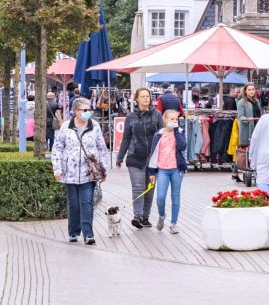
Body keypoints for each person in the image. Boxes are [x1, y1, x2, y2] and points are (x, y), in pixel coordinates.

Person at [52, 96, 109, 245]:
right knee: (73, 204)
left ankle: (88, 234)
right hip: (69, 172)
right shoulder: (66, 126)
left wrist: (104, 168)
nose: (87, 112)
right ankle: (73, 232)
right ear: (75, 111)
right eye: (84, 110)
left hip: (88, 172)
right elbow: (57, 148)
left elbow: (102, 148)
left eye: (89, 109)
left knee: (86, 202)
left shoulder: (94, 125)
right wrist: (57, 169)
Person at [115, 87, 162, 229]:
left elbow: (162, 136)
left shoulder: (157, 115)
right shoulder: (130, 117)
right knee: (138, 187)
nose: (146, 98)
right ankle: (137, 216)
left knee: (149, 188)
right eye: (143, 96)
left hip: (153, 159)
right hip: (135, 157)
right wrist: (120, 157)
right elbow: (126, 138)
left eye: (148, 96)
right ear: (136, 99)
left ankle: (145, 217)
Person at [147, 107, 187, 233]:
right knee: (160, 197)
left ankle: (173, 223)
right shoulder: (158, 134)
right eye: (171, 119)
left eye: (176, 119)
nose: (174, 121)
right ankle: (161, 215)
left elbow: (183, 146)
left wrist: (175, 131)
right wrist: (152, 172)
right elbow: (153, 153)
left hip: (176, 169)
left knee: (175, 196)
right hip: (162, 170)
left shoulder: (180, 132)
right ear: (164, 120)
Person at [236, 83, 262, 147]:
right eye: (249, 90)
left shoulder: (257, 101)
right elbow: (240, 116)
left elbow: (259, 113)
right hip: (248, 128)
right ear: (245, 91)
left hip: (257, 127)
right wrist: (248, 119)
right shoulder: (241, 102)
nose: (251, 91)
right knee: (248, 149)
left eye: (253, 89)